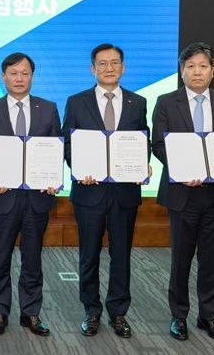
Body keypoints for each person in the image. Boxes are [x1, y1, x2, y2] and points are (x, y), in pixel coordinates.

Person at [152, 42, 214, 342]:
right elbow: (159, 144)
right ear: (181, 71)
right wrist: (182, 169)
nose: (197, 72)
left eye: (203, 66)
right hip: (183, 194)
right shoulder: (166, 102)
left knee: (212, 260)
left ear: (212, 71)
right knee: (181, 259)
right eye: (190, 66)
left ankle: (208, 316)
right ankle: (179, 316)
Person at [63, 43, 150, 339]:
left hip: (125, 194)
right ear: (93, 68)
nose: (109, 68)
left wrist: (143, 165)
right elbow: (67, 143)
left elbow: (142, 140)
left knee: (121, 255)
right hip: (89, 193)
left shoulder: (138, 102)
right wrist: (79, 168)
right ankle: (91, 310)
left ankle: (118, 312)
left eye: (114, 63)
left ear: (123, 67)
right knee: (88, 255)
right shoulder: (76, 102)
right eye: (102, 63)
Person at [0, 52, 61, 337]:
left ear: (32, 76)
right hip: (3, 197)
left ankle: (31, 313)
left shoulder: (48, 109)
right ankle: (0, 312)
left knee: (33, 259)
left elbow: (55, 148)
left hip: (37, 198)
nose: (19, 78)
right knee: (0, 258)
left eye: (25, 73)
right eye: (13, 73)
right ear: (3, 76)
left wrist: (52, 178)